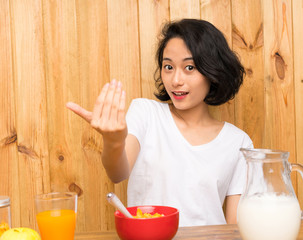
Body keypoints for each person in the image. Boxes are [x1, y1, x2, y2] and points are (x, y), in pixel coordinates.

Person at [66, 18, 253, 227]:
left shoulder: (238, 142)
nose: (175, 80)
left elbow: (235, 227)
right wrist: (113, 141)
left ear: (213, 71)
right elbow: (118, 173)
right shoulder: (146, 113)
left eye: (189, 67)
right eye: (168, 67)